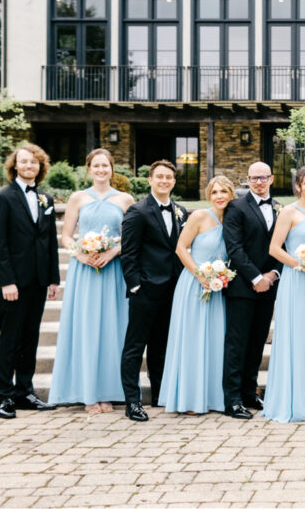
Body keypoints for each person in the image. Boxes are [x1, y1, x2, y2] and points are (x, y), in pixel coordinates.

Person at [48, 148, 134, 413]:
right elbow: (65, 236)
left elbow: (130, 236)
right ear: (89, 169)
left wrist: (111, 251)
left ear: (112, 168)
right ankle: (87, 394)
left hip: (113, 270)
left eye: (105, 166)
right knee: (85, 327)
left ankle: (108, 392)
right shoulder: (77, 198)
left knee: (112, 327)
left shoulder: (125, 199)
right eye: (96, 166)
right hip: (84, 271)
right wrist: (81, 255)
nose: (100, 170)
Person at [0, 144, 60, 419]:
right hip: (13, 282)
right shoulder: (2, 198)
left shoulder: (46, 199)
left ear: (40, 167)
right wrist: (6, 281)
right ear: (15, 166)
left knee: (30, 337)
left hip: (39, 280)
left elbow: (50, 240)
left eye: (34, 162)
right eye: (24, 161)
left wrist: (53, 278)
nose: (30, 166)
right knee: (10, 338)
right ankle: (4, 395)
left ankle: (24, 391)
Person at [262, 166, 305, 423]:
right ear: (298, 187)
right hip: (296, 280)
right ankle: (294, 400)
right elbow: (274, 249)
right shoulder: (289, 212)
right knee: (297, 337)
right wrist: (301, 265)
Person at [159, 176, 234, 415]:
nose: (219, 196)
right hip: (194, 285)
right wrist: (200, 274)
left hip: (219, 288)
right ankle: (190, 399)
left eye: (224, 191)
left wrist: (219, 278)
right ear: (208, 195)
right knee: (193, 340)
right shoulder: (200, 217)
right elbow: (181, 248)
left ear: (231, 194)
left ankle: (213, 397)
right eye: (214, 192)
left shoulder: (233, 219)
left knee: (214, 340)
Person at [120, 160, 187, 422]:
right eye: (159, 176)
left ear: (173, 182)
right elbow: (129, 253)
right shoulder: (137, 211)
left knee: (162, 345)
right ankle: (132, 401)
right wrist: (136, 285)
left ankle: (160, 393)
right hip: (145, 289)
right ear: (150, 180)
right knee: (135, 347)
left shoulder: (180, 210)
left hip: (173, 289)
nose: (164, 181)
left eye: (169, 177)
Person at [222, 162, 282, 420]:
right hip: (243, 287)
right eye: (254, 178)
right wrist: (256, 277)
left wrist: (272, 274)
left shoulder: (280, 208)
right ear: (247, 180)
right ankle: (232, 399)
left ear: (271, 178)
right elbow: (234, 248)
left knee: (257, 342)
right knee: (237, 344)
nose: (259, 182)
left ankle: (250, 392)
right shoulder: (236, 207)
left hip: (269, 285)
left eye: (263, 177)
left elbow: (285, 244)